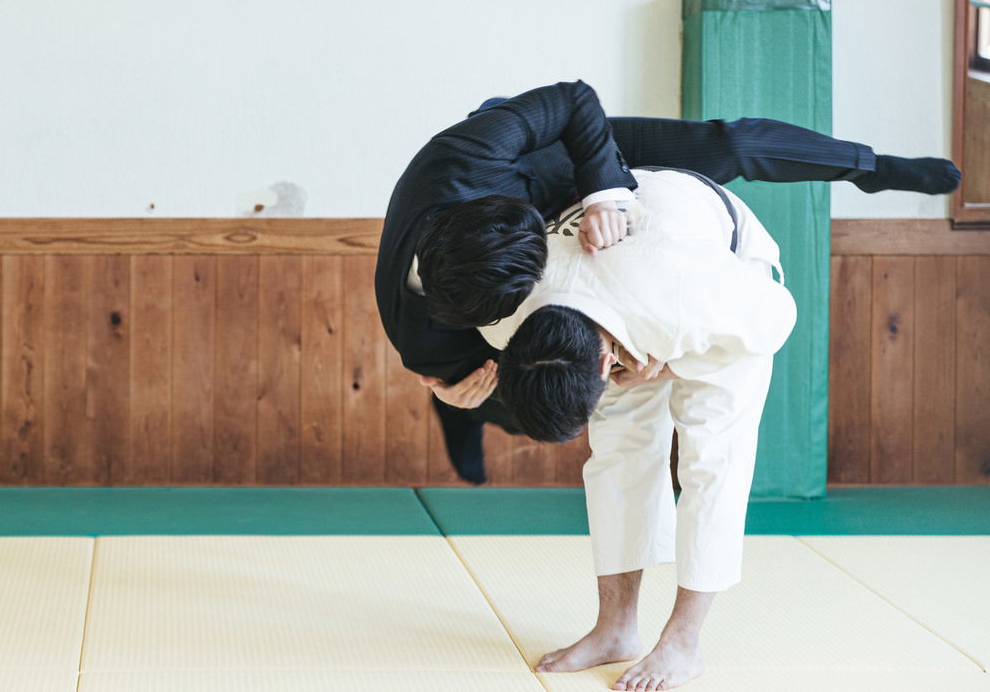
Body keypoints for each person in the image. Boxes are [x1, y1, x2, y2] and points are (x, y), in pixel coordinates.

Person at [376, 79, 960, 483]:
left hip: (566, 163)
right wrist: (451, 393)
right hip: (474, 351)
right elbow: (544, 377)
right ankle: (463, 417)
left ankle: (868, 166)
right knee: (514, 405)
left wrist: (601, 193)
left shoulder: (465, 157)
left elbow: (574, 98)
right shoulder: (423, 338)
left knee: (730, 144)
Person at [484, 168, 794, 691]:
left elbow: (777, 319)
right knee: (617, 446)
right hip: (620, 279)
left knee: (712, 456)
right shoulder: (504, 310)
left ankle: (684, 642)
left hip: (723, 262)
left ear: (605, 362)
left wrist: (668, 367)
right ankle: (615, 629)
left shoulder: (691, 294)